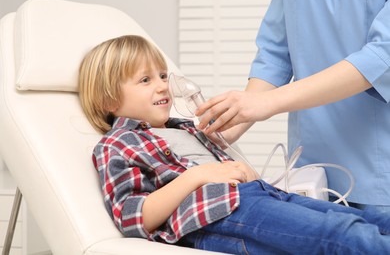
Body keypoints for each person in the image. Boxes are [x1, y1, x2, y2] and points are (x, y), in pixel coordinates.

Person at [78, 34, 390, 254]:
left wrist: (245, 173)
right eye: (145, 80)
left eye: (162, 75)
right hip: (218, 214)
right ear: (109, 99)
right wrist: (197, 176)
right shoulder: (117, 145)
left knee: (357, 219)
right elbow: (133, 216)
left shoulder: (187, 128)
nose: (162, 85)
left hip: (257, 196)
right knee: (339, 235)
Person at [195, 0, 390, 211]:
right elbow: (275, 54)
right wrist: (234, 123)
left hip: (378, 170)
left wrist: (266, 102)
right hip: (311, 167)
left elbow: (382, 56)